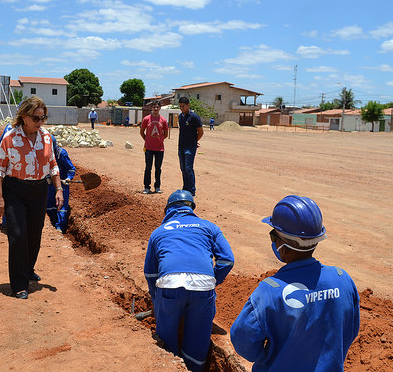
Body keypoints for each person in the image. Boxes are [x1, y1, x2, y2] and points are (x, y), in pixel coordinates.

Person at [230, 195, 360, 371]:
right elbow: (350, 330)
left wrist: (273, 356)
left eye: (273, 236)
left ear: (282, 245)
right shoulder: (342, 279)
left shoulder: (269, 292)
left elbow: (243, 341)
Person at [144, 190, 234, 371]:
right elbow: (227, 260)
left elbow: (151, 274)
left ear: (168, 210)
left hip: (169, 286)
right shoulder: (209, 227)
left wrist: (157, 300)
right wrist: (212, 281)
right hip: (203, 288)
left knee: (167, 339)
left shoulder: (158, 232)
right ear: (191, 208)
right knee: (198, 338)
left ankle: (171, 365)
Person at [0, 96, 63, 300]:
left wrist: (58, 189)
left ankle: (28, 268)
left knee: (34, 234)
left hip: (39, 190)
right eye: (36, 118)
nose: (40, 122)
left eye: (43, 118)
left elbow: (53, 164)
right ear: (24, 117)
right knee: (17, 235)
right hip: (15, 190)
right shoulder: (10, 138)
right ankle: (19, 284)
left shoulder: (47, 138)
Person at [46, 134, 76, 232]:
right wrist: (47, 177)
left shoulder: (61, 154)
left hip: (63, 185)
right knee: (50, 206)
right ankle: (53, 224)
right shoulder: (43, 154)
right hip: (50, 185)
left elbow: (71, 168)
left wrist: (68, 178)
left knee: (61, 206)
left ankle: (60, 228)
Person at [140, 100, 168, 194]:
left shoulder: (163, 120)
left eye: (157, 107)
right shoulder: (146, 119)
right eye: (154, 107)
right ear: (151, 108)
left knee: (158, 169)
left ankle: (157, 187)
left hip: (160, 149)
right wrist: (147, 140)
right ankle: (147, 187)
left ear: (160, 108)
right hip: (148, 148)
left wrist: (159, 140)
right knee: (148, 168)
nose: (156, 109)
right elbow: (142, 132)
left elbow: (166, 134)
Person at [177, 97, 203, 197]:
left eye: (183, 106)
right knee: (183, 168)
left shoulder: (194, 117)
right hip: (181, 146)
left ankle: (192, 190)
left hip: (190, 147)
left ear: (188, 105)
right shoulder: (180, 117)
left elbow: (200, 132)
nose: (182, 108)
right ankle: (185, 188)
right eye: (180, 106)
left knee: (188, 168)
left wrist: (195, 141)